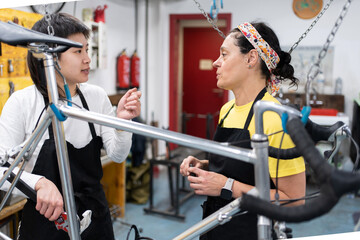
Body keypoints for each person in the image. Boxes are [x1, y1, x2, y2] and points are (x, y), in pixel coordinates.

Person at [0, 13, 141, 240]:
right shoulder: (22, 103)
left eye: (87, 49)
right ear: (50, 57)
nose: (88, 59)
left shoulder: (95, 97)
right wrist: (39, 184)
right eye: (78, 51)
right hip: (45, 223)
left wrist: (123, 122)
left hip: (95, 219)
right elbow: (2, 171)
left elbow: (117, 154)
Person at [180, 22, 306, 239]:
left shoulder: (274, 118)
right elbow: (248, 166)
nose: (215, 62)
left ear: (251, 58)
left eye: (224, 54)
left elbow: (293, 200)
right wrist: (207, 166)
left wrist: (226, 185)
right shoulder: (228, 109)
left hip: (251, 231)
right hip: (215, 225)